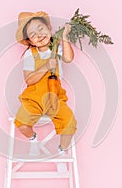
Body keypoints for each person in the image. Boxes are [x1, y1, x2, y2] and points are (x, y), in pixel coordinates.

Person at [14, 11, 77, 158]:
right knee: (22, 124)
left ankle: (62, 152)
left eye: (41, 29)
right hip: (35, 98)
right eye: (33, 34)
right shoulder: (31, 54)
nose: (39, 35)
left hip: (55, 97)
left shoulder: (57, 48)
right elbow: (29, 80)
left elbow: (68, 58)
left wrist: (64, 38)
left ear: (49, 28)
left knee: (70, 125)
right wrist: (46, 66)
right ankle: (34, 141)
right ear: (29, 41)